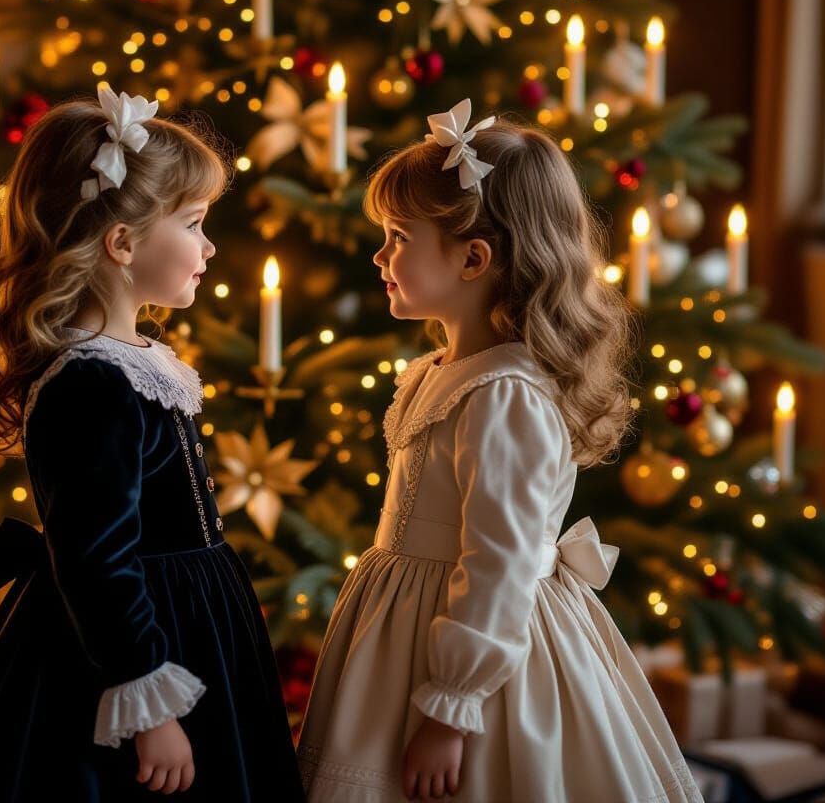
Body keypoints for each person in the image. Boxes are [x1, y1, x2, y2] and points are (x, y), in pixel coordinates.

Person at [0, 86, 305, 802]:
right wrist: (150, 702)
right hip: (132, 643)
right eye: (194, 223)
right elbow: (95, 560)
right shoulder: (91, 384)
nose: (209, 245)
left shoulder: (137, 362)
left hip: (186, 619)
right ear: (121, 243)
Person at [298, 100, 702, 803]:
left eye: (397, 237)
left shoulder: (504, 397)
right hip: (406, 626)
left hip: (479, 653)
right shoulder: (442, 374)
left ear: (474, 257)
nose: (379, 255)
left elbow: (499, 563)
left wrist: (450, 705)